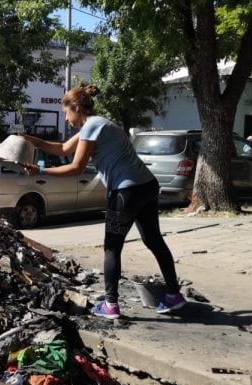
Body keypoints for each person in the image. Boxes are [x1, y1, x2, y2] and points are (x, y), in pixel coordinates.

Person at [21, 83, 186, 319]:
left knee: (111, 248)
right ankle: (173, 295)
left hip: (126, 191)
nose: (66, 120)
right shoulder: (100, 124)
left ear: (76, 108)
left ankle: (111, 305)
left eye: (66, 113)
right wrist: (31, 141)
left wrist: (40, 172)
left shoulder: (92, 126)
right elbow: (63, 148)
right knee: (154, 240)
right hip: (147, 187)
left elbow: (76, 167)